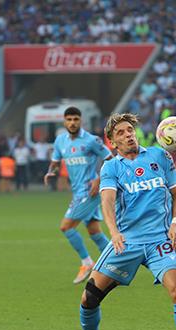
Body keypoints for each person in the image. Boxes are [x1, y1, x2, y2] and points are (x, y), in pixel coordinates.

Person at [67, 112, 176, 330]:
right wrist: (114, 233)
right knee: (89, 298)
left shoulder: (160, 156)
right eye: (121, 133)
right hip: (126, 241)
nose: (128, 134)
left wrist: (175, 223)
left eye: (130, 130)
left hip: (160, 240)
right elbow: (107, 201)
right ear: (113, 142)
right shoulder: (112, 167)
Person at [43, 106, 113, 284]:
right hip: (77, 192)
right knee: (94, 231)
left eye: (76, 119)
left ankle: (87, 263)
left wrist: (98, 180)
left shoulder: (91, 140)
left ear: (81, 121)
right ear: (64, 121)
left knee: (66, 227)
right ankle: (116, 266)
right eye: (69, 119)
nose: (72, 123)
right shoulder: (60, 141)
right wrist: (51, 171)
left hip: (89, 192)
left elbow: (111, 160)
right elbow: (56, 161)